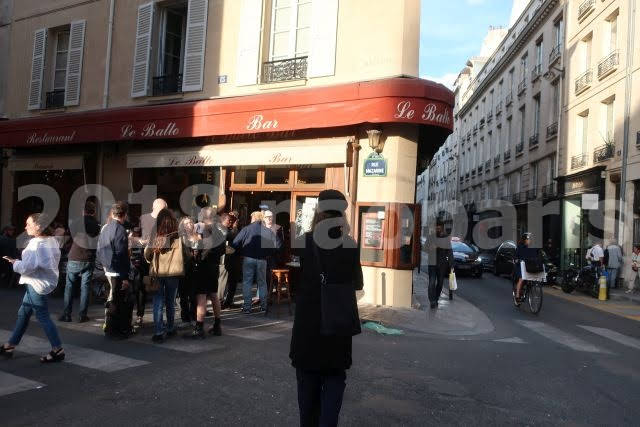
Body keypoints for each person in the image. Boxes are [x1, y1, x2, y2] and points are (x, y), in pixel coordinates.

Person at [290, 189, 363, 427]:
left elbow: (294, 283)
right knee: (333, 381)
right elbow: (358, 283)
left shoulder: (304, 242)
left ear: (319, 211)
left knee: (307, 388)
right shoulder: (350, 244)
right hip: (337, 324)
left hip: (308, 327)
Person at [0, 213, 65, 363]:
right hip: (43, 282)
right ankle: (10, 345)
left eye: (29, 224)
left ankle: (58, 349)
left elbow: (28, 267)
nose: (25, 227)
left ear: (38, 226)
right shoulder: (51, 240)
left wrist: (15, 262)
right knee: (23, 313)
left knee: (42, 315)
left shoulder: (36, 243)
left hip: (36, 283)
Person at [184, 207, 226, 339]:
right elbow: (223, 250)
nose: (199, 215)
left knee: (201, 297)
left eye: (201, 214)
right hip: (214, 266)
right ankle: (217, 325)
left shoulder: (201, 228)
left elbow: (196, 248)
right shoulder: (219, 230)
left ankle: (199, 328)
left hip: (203, 266)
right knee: (213, 295)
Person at [144, 209, 184, 343]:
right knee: (170, 302)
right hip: (174, 273)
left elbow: (147, 254)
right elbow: (187, 255)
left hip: (158, 273)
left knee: (158, 302)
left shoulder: (155, 234)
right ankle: (170, 328)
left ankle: (158, 332)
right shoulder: (179, 235)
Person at [232, 210, 281, 314]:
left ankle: (247, 307)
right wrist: (269, 253)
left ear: (253, 218)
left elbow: (235, 243)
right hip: (262, 259)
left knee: (247, 282)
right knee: (262, 283)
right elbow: (278, 245)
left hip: (248, 258)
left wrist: (242, 251)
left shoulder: (246, 229)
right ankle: (263, 306)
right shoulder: (267, 230)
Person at [60, 201, 101, 323]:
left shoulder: (76, 222)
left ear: (83, 210)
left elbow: (67, 237)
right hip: (89, 257)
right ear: (93, 212)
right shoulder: (97, 224)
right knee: (85, 287)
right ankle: (82, 315)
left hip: (75, 255)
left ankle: (67, 314)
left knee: (69, 286)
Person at [96, 202, 132, 338]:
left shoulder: (106, 228)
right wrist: (125, 277)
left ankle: (111, 328)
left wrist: (105, 265)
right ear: (125, 215)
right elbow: (122, 254)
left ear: (112, 213)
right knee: (117, 302)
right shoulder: (120, 230)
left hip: (108, 268)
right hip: (117, 270)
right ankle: (114, 330)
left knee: (114, 300)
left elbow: (99, 249)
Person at [178, 216, 199, 325]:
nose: (189, 225)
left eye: (191, 223)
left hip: (196, 269)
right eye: (186, 223)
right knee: (183, 296)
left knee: (193, 295)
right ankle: (185, 318)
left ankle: (193, 317)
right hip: (183, 269)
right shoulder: (181, 238)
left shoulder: (198, 236)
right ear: (182, 226)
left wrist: (198, 254)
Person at [426, 222, 453, 308]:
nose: (438, 230)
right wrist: (431, 248)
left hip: (442, 265)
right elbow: (425, 248)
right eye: (437, 229)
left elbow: (450, 252)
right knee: (432, 282)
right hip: (432, 263)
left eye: (439, 229)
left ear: (442, 229)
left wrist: (451, 264)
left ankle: (436, 298)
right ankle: (432, 301)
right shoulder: (430, 237)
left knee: (440, 283)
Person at [514, 232, 542, 304]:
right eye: (528, 239)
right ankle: (517, 296)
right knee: (521, 279)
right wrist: (517, 260)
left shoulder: (534, 248)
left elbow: (539, 255)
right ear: (524, 240)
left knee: (536, 276)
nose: (530, 240)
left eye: (530, 239)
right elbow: (516, 256)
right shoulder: (520, 247)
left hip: (531, 266)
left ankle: (530, 287)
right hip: (521, 266)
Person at [222, 211, 241, 309]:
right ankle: (222, 302)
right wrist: (234, 227)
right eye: (229, 220)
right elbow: (231, 236)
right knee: (224, 282)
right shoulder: (223, 229)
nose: (231, 222)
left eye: (232, 220)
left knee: (233, 282)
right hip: (226, 260)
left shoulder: (233, 229)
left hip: (234, 259)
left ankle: (228, 301)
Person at [128, 226, 146, 327]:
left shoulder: (141, 240)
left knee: (138, 293)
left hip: (138, 269)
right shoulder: (131, 240)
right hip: (135, 269)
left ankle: (137, 316)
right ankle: (137, 316)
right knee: (137, 293)